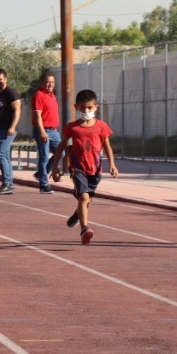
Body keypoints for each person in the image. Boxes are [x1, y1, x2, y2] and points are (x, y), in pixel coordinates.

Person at [49, 89, 120, 245]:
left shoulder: (101, 126)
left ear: (96, 107)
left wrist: (112, 165)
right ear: (76, 107)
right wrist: (55, 168)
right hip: (78, 169)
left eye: (89, 108)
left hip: (95, 170)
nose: (86, 111)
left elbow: (107, 146)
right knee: (84, 197)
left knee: (86, 200)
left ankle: (77, 214)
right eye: (83, 108)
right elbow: (61, 147)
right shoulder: (73, 127)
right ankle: (84, 229)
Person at [31, 70, 61, 195]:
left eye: (52, 82)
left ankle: (41, 174)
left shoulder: (52, 95)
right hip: (43, 130)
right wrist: (42, 131)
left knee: (62, 153)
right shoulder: (39, 95)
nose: (50, 84)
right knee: (43, 157)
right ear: (42, 83)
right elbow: (37, 115)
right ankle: (44, 185)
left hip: (54, 131)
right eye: (48, 82)